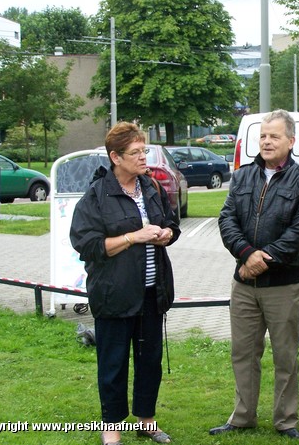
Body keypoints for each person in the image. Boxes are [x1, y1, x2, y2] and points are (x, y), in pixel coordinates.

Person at [70, 122, 179, 445]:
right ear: (115, 157)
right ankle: (111, 429)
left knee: (150, 362)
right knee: (113, 364)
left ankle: (146, 421)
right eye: (136, 153)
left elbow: (171, 223)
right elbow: (86, 245)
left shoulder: (151, 188)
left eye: (144, 150)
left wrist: (166, 234)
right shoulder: (97, 195)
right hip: (114, 295)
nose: (144, 157)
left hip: (150, 293)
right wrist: (134, 237)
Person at [212, 109, 299, 440]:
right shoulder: (242, 176)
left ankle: (286, 420)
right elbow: (227, 218)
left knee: (285, 355)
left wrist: (264, 258)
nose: (267, 142)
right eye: (263, 136)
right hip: (244, 282)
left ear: (291, 141)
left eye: (274, 136)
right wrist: (246, 254)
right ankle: (243, 416)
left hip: (283, 284)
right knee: (243, 353)